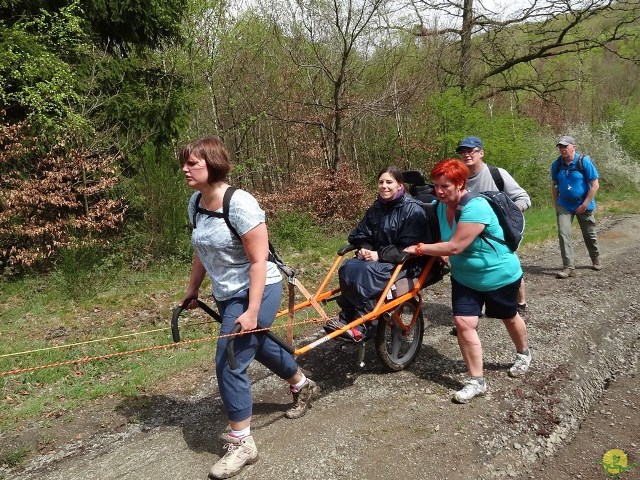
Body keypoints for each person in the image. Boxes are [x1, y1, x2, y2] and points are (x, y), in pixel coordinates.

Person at [178, 136, 320, 479]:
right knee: (255, 345)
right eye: (184, 162)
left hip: (259, 287)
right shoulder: (196, 203)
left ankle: (242, 443)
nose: (185, 169)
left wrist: (253, 309)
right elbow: (201, 249)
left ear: (213, 165)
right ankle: (302, 384)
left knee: (230, 358)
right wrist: (193, 288)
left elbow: (258, 261)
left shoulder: (240, 204)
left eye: (192, 163)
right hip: (227, 292)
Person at [404, 158, 531, 404]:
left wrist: (419, 249)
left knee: (509, 316)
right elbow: (444, 240)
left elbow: (455, 245)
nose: (439, 192)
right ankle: (476, 380)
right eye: (436, 186)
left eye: (445, 187)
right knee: (464, 324)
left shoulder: (476, 207)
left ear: (461, 184)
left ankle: (523, 353)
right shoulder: (441, 206)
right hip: (465, 278)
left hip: (499, 275)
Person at [324, 166, 438, 342]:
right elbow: (362, 233)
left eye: (389, 182)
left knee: (368, 273)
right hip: (382, 259)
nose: (384, 186)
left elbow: (410, 246)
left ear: (400, 186)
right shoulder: (377, 207)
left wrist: (379, 254)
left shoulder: (412, 210)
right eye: (381, 182)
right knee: (348, 267)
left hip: (407, 261)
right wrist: (365, 247)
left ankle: (364, 325)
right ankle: (346, 317)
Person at [457, 136, 531, 314]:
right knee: (473, 265)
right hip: (472, 230)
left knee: (508, 264)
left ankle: (520, 303)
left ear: (481, 153)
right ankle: (473, 311)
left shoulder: (497, 174)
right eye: (462, 152)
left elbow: (524, 198)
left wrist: (510, 214)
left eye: (471, 151)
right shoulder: (459, 178)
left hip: (500, 231)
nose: (466, 155)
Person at [552, 135, 601, 279]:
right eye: (560, 147)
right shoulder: (557, 164)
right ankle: (568, 267)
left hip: (583, 204)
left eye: (565, 146)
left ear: (574, 147)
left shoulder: (583, 161)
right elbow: (554, 185)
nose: (562, 149)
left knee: (589, 234)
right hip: (564, 205)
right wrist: (556, 203)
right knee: (563, 233)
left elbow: (595, 185)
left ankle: (595, 258)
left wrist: (585, 204)